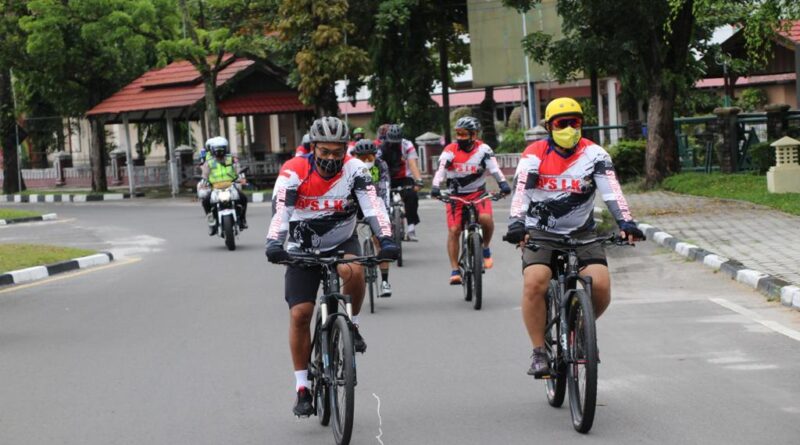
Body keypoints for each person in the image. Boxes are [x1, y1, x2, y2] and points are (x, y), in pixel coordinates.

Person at [265, 116, 398, 417]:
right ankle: (302, 387)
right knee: (300, 314)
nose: (331, 158)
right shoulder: (294, 170)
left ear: (345, 149)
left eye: (337, 152)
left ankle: (353, 324)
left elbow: (373, 206)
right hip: (302, 247)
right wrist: (274, 243)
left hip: (342, 241)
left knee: (355, 270)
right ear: (313, 147)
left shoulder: (356, 169)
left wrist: (386, 238)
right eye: (325, 151)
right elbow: (281, 211)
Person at [504, 97, 645, 378]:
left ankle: (581, 330)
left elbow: (612, 192)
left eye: (575, 122)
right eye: (562, 123)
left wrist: (626, 222)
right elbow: (521, 192)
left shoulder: (595, 155)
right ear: (549, 126)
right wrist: (517, 223)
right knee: (535, 282)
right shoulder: (534, 154)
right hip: (541, 231)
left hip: (582, 232)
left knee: (600, 285)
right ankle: (539, 351)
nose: (569, 128)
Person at [431, 116, 511, 285]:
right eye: (458, 134)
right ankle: (455, 270)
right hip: (455, 196)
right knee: (454, 230)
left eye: (464, 134)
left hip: (478, 194)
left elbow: (495, 169)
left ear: (474, 135)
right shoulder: (450, 150)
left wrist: (503, 184)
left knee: (486, 219)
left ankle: (485, 248)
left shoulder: (484, 150)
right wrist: (435, 186)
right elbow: (441, 170)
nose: (460, 138)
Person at [352, 138, 394, 297]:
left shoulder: (381, 165)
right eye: (362, 158)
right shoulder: (350, 166)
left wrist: (386, 211)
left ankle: (385, 282)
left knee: (379, 240)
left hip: (375, 202)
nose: (366, 161)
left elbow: (385, 188)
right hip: (356, 203)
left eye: (369, 157)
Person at [380, 124, 424, 241]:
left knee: (412, 195)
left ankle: (411, 228)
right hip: (387, 177)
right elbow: (378, 166)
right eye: (392, 142)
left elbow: (412, 164)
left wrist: (418, 180)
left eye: (397, 142)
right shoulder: (382, 147)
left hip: (404, 177)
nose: (394, 144)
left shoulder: (407, 145)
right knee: (382, 200)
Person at [199, 136, 248, 234]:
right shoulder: (209, 162)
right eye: (217, 149)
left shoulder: (231, 159)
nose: (219, 152)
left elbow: (237, 169)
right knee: (205, 202)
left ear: (225, 149)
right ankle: (211, 223)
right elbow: (205, 174)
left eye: (221, 149)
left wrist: (241, 177)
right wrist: (203, 182)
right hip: (216, 188)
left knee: (243, 199)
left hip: (230, 186)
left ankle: (242, 219)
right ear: (213, 150)